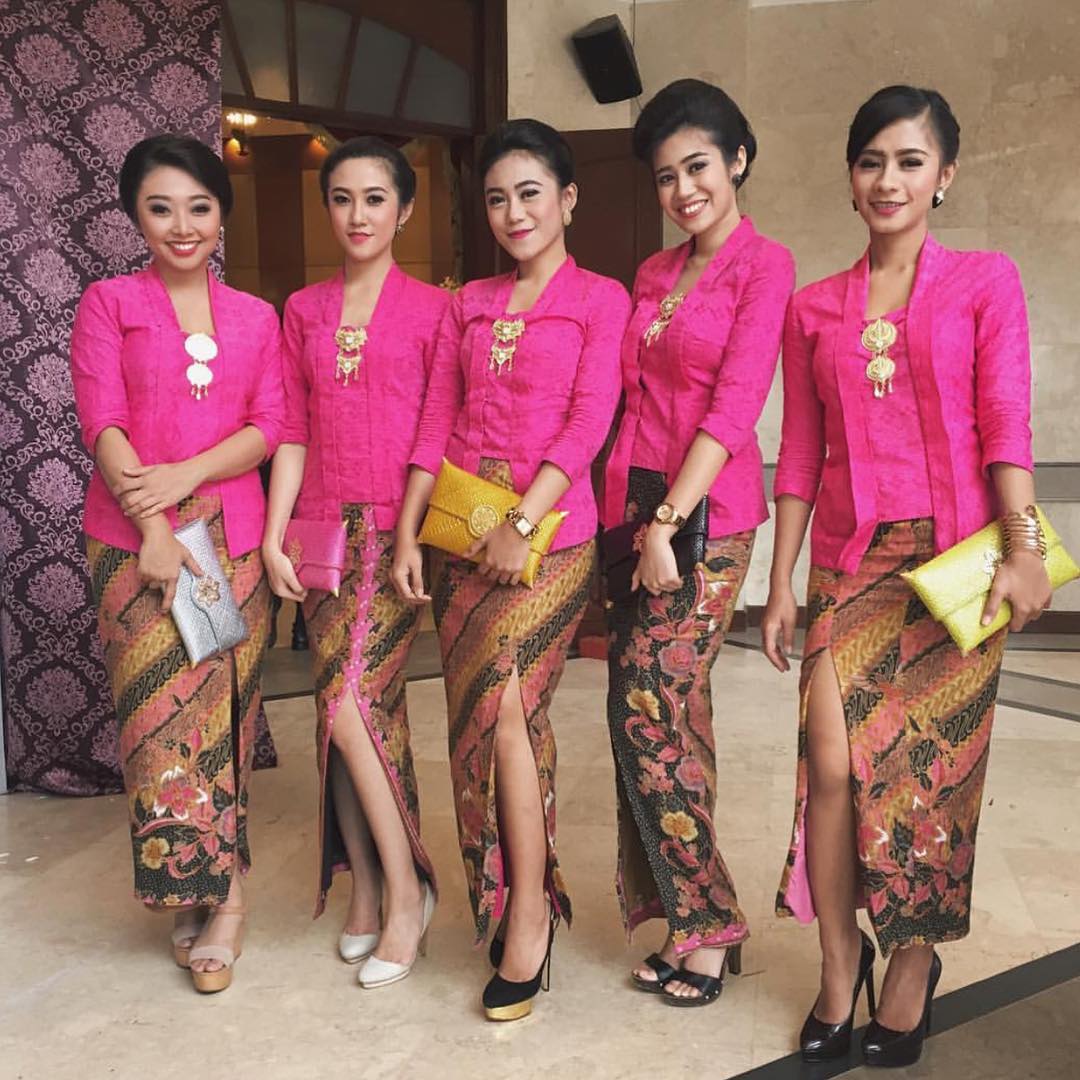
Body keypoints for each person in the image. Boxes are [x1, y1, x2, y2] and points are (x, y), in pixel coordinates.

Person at [764, 85, 1050, 1067]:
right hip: (852, 564)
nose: (889, 179)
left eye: (910, 161)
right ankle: (839, 958)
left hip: (962, 564)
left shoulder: (984, 281)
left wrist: (1025, 549)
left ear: (944, 177)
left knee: (930, 777)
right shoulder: (812, 307)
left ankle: (914, 961)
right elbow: (801, 454)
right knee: (831, 763)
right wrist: (779, 581)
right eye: (871, 161)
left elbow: (1006, 420)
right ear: (850, 179)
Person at [393, 119, 631, 1021]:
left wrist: (523, 522)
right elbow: (437, 418)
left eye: (530, 192)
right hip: (461, 540)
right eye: (497, 198)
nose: (514, 212)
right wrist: (410, 532)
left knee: (503, 717)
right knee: (476, 729)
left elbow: (589, 418)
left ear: (567, 198)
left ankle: (530, 913)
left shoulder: (600, 299)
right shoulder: (469, 303)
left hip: (552, 542)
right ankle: (500, 891)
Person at [70, 134, 284, 993]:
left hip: (230, 541)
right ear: (137, 216)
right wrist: (154, 527)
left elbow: (269, 425)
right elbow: (103, 421)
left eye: (199, 207)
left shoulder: (255, 317)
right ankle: (188, 883)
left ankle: (226, 898)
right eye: (161, 209)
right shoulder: (110, 302)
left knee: (224, 716)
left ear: (221, 214)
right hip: (133, 544)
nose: (183, 226)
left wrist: (187, 476)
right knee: (157, 722)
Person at [602, 79, 794, 1007]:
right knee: (672, 713)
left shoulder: (765, 266)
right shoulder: (652, 273)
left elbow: (734, 405)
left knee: (651, 703)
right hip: (637, 505)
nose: (683, 190)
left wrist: (669, 524)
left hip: (708, 512)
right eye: (666, 176)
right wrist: (630, 521)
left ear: (738, 160)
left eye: (699, 167)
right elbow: (634, 399)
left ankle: (710, 921)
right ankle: (689, 916)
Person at [261, 137, 448, 989]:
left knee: (346, 707)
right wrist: (276, 534)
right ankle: (366, 888)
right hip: (320, 537)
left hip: (390, 533)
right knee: (337, 715)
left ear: (404, 210)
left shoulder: (433, 310)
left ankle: (409, 893)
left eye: (375, 199)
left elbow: (434, 432)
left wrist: (409, 532)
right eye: (342, 198)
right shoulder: (302, 310)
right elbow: (292, 429)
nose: (358, 215)